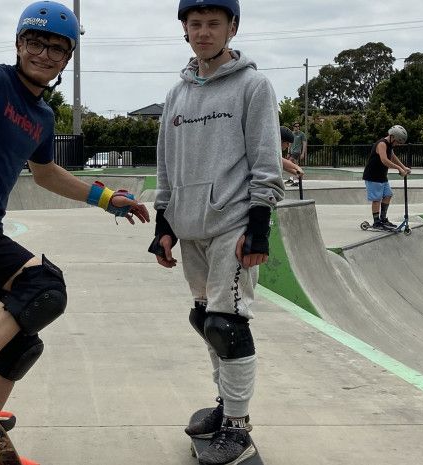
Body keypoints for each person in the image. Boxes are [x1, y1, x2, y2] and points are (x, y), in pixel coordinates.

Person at [0, 2, 150, 463]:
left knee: (21, 344)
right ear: (19, 44)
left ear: (67, 59)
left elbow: (46, 174)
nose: (44, 54)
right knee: (44, 285)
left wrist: (107, 199)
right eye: (35, 43)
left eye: (57, 49)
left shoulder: (42, 117)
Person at [150, 1, 285, 464]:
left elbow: (267, 162)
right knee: (206, 321)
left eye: (213, 24)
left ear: (232, 27)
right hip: (191, 228)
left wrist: (260, 226)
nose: (203, 32)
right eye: (195, 24)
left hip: (233, 223)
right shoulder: (177, 95)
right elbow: (167, 165)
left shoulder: (253, 86)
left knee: (227, 325)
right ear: (184, 30)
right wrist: (163, 222)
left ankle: (237, 426)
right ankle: (225, 404)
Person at [362, 125, 412, 230]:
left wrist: (403, 167)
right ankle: (376, 222)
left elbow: (393, 157)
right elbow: (384, 160)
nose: (397, 144)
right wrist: (399, 169)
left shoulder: (389, 145)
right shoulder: (382, 144)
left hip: (382, 176)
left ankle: (383, 219)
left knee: (388, 195)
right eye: (397, 142)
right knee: (376, 199)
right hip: (373, 175)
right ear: (392, 137)